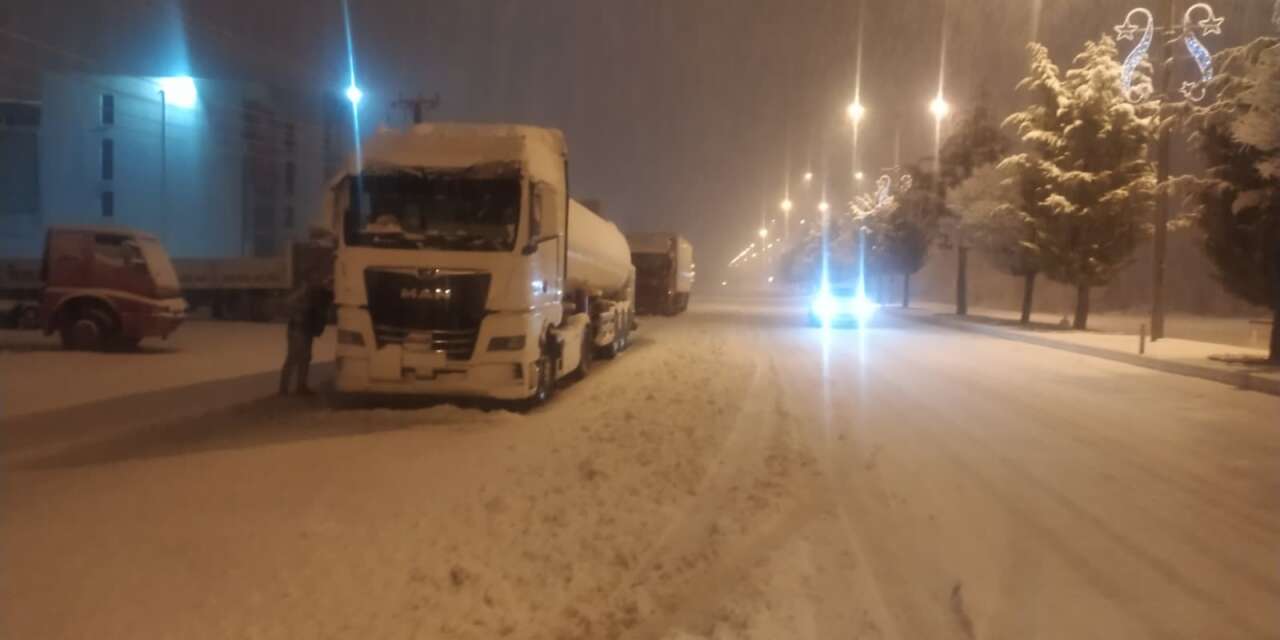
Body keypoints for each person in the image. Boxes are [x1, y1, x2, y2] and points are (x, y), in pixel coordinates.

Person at [279, 271, 334, 396]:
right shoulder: (308, 291)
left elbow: (321, 313)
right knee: (293, 357)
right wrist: (300, 313)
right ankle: (284, 389)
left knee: (305, 357)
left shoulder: (325, 295)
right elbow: (289, 302)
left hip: (306, 329)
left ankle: (301, 387)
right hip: (298, 328)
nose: (331, 287)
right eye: (329, 284)